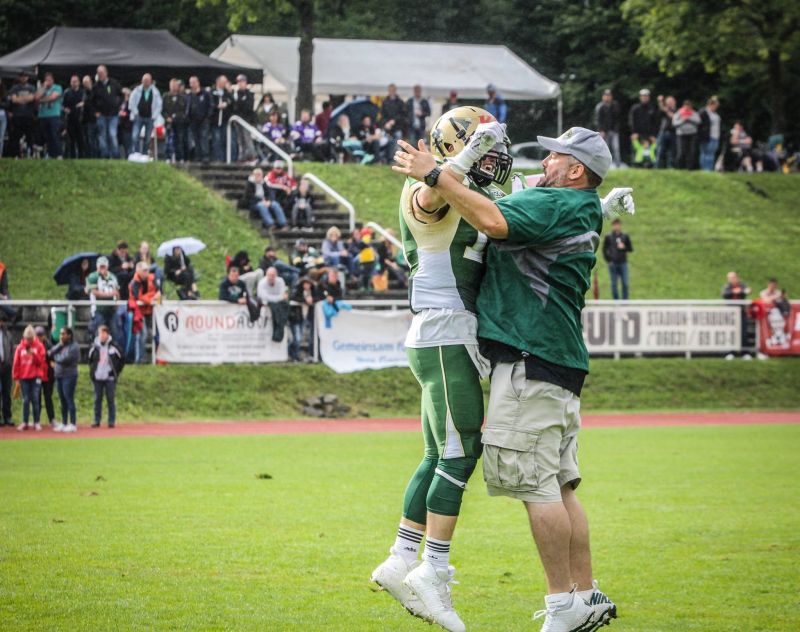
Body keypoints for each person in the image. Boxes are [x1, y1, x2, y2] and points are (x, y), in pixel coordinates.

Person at [392, 125, 619, 632]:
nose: (545, 162)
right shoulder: (575, 205)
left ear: (575, 170)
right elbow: (522, 198)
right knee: (560, 485)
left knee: (535, 487)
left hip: (529, 356)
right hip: (557, 361)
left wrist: (435, 171)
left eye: (554, 156)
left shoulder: (558, 203)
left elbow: (493, 219)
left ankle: (563, 609)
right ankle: (584, 595)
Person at [370, 106, 514, 631]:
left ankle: (400, 559)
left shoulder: (469, 190)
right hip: (441, 330)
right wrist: (455, 160)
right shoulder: (423, 187)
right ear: (456, 146)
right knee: (460, 449)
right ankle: (432, 569)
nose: (495, 155)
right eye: (483, 144)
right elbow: (430, 197)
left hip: (452, 333)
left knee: (437, 453)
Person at [13, 325, 47, 432]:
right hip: (24, 377)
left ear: (34, 337)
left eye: (31, 339)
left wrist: (34, 354)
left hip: (36, 377)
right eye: (27, 339)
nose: (29, 341)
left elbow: (41, 362)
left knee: (35, 399)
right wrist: (16, 378)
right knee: (25, 400)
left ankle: (37, 422)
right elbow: (16, 363)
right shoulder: (20, 347)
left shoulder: (39, 346)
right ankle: (25, 422)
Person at [88, 325, 123, 428]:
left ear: (108, 334)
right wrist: (93, 373)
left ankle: (111, 421)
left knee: (110, 399)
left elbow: (122, 359)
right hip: (97, 377)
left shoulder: (113, 347)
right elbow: (90, 361)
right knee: (97, 399)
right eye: (100, 333)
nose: (102, 336)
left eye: (104, 333)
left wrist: (115, 371)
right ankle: (96, 420)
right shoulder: (94, 347)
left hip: (109, 378)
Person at [128, 262, 161, 364]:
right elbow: (138, 297)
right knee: (142, 335)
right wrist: (151, 298)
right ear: (138, 271)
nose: (147, 272)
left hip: (150, 311)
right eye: (144, 270)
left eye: (147, 270)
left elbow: (159, 292)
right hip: (139, 313)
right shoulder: (134, 283)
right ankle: (139, 360)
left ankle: (159, 358)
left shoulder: (152, 278)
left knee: (158, 333)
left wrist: (151, 297)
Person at [50, 326, 80, 432]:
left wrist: (56, 359)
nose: (61, 336)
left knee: (69, 398)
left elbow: (65, 359)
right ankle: (64, 422)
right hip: (59, 375)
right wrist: (59, 346)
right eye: (60, 334)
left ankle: (73, 423)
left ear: (69, 335)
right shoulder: (61, 345)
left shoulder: (74, 346)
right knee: (62, 400)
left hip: (69, 375)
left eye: (63, 334)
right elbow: (50, 354)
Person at [91, 65, 123, 159]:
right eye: (98, 73)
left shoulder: (114, 83)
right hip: (101, 116)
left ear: (106, 73)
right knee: (102, 136)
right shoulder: (96, 86)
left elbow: (121, 95)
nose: (100, 75)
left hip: (113, 115)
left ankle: (116, 156)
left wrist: (118, 105)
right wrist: (96, 112)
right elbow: (91, 101)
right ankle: (105, 156)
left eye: (102, 73)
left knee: (112, 135)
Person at [288, 277, 321, 362]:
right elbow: (292, 297)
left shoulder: (313, 291)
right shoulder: (297, 291)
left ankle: (294, 355)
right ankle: (293, 354)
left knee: (300, 338)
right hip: (296, 317)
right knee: (297, 338)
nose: (307, 286)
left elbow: (319, 298)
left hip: (306, 317)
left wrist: (312, 300)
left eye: (308, 284)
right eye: (305, 284)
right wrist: (305, 300)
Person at [85, 256, 120, 337]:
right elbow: (94, 292)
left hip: (111, 309)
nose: (102, 269)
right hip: (99, 309)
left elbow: (117, 292)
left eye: (104, 266)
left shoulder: (113, 277)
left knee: (115, 332)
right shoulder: (93, 276)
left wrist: (117, 303)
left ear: (107, 266)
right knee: (99, 331)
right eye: (101, 266)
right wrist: (110, 294)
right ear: (97, 266)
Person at [129, 73, 162, 155]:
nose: (146, 82)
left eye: (147, 80)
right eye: (144, 80)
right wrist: (136, 113)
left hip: (150, 118)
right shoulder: (136, 90)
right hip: (138, 117)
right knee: (135, 136)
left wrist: (154, 116)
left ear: (151, 81)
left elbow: (159, 105)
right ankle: (135, 153)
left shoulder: (155, 92)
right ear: (142, 81)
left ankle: (144, 155)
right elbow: (131, 102)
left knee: (147, 138)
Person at [7, 71, 38, 158]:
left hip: (28, 115)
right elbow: (14, 100)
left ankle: (30, 154)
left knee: (29, 136)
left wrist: (20, 98)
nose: (23, 78)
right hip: (17, 116)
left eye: (25, 76)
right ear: (19, 78)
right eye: (22, 76)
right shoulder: (15, 88)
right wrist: (26, 98)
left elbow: (32, 98)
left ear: (28, 77)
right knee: (16, 136)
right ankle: (16, 155)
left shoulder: (32, 88)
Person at [602, 219, 634, 300]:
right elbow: (604, 249)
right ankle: (616, 302)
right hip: (613, 263)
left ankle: (625, 303)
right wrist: (608, 260)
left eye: (618, 224)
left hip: (623, 263)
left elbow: (630, 248)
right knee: (614, 284)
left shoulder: (625, 236)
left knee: (625, 283)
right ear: (613, 226)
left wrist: (624, 247)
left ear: (620, 225)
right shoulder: (608, 237)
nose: (616, 226)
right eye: (615, 225)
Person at [256, 267, 289, 343]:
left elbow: (283, 296)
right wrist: (278, 298)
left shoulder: (280, 281)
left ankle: (280, 331)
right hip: (265, 308)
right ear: (266, 275)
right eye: (269, 275)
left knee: (285, 305)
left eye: (273, 275)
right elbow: (264, 297)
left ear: (276, 275)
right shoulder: (262, 283)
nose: (271, 277)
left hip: (279, 306)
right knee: (275, 306)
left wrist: (275, 298)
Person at [35, 72, 63, 159]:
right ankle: (51, 154)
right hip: (43, 115)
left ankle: (58, 154)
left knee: (54, 135)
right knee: (46, 136)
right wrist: (43, 87)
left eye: (49, 80)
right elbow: (36, 97)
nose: (48, 82)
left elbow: (53, 97)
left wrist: (41, 100)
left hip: (54, 115)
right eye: (46, 80)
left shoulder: (57, 87)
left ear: (53, 80)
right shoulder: (42, 88)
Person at [185, 76, 211, 163]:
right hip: (193, 121)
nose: (192, 84)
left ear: (197, 82)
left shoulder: (205, 94)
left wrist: (207, 117)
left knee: (204, 138)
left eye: (193, 82)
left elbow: (210, 106)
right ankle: (198, 156)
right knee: (195, 139)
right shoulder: (189, 95)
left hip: (203, 121)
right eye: (190, 83)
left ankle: (205, 156)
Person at [231, 74, 256, 162]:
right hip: (238, 120)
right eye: (239, 82)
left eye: (242, 81)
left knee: (247, 138)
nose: (240, 84)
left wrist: (241, 102)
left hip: (247, 120)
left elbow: (248, 107)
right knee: (240, 139)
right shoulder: (235, 94)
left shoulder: (249, 94)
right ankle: (242, 156)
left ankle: (252, 156)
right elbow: (235, 107)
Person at [62, 74, 87, 159]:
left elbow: (86, 102)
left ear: (79, 82)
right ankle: (72, 156)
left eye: (75, 81)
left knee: (81, 140)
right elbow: (62, 105)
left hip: (80, 119)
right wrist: (65, 109)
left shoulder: (83, 92)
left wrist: (83, 104)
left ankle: (81, 156)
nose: (74, 83)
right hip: (70, 119)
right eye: (72, 81)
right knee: (71, 140)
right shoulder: (67, 92)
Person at [35, 326, 56, 427]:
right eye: (37, 335)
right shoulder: (32, 345)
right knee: (37, 398)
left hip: (47, 376)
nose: (39, 337)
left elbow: (53, 360)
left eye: (41, 335)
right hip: (37, 376)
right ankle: (37, 419)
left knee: (48, 398)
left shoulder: (48, 345)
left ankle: (52, 419)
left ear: (44, 336)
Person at [163, 79, 186, 163]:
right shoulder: (166, 96)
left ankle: (180, 157)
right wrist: (167, 117)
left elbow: (184, 110)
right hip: (168, 122)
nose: (173, 87)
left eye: (175, 85)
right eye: (172, 85)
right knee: (168, 140)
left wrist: (177, 117)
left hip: (179, 122)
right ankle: (168, 157)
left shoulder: (182, 97)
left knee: (179, 140)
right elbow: (163, 110)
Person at [672, 100, 701, 170]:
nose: (687, 108)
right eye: (686, 106)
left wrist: (689, 118)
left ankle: (689, 168)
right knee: (681, 152)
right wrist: (683, 120)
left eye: (689, 106)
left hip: (692, 135)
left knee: (691, 152)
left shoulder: (694, 113)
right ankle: (679, 167)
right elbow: (674, 123)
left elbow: (699, 121)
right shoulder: (679, 113)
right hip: (681, 135)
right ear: (683, 106)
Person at [265, 160, 294, 228]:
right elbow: (270, 183)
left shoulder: (285, 175)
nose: (278, 170)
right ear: (274, 168)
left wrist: (289, 189)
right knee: (274, 198)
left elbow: (292, 183)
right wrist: (283, 187)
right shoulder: (270, 174)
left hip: (281, 195)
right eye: (277, 168)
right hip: (270, 195)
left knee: (291, 197)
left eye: (280, 168)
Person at [595, 89, 620, 166]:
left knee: (616, 148)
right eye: (606, 95)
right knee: (605, 149)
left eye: (609, 95)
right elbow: (598, 120)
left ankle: (617, 165)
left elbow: (617, 118)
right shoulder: (600, 106)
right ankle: (605, 165)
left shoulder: (615, 105)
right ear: (603, 97)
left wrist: (616, 129)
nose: (607, 97)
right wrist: (601, 130)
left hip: (614, 130)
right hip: (604, 131)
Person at [628, 88, 658, 153]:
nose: (644, 98)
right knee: (636, 149)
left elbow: (655, 123)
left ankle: (651, 162)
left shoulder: (652, 108)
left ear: (649, 97)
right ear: (640, 97)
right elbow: (631, 121)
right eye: (643, 96)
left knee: (652, 150)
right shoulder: (635, 108)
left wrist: (654, 135)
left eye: (646, 96)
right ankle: (636, 162)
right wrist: (634, 132)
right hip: (637, 134)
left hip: (650, 134)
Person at [210, 75, 232, 163]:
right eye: (224, 82)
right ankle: (217, 158)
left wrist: (226, 103)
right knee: (216, 140)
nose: (225, 84)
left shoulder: (227, 93)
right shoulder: (212, 91)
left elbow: (231, 101)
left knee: (224, 140)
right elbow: (210, 104)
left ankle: (224, 159)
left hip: (224, 120)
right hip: (215, 121)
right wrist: (216, 106)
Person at [698, 96, 721, 172]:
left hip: (715, 136)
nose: (716, 107)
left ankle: (709, 169)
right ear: (711, 104)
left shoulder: (715, 114)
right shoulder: (703, 112)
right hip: (707, 137)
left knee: (711, 154)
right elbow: (699, 124)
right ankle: (705, 169)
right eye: (715, 106)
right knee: (706, 153)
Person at [0, 316, 15, 427]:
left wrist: (10, 363)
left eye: (3, 321)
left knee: (6, 393)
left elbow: (11, 349)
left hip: (6, 367)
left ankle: (7, 417)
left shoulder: (8, 335)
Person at [655, 94, 677, 169]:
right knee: (660, 151)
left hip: (674, 133)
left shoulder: (677, 111)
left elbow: (673, 117)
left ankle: (671, 168)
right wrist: (660, 101)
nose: (670, 103)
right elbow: (661, 109)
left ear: (674, 102)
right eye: (668, 102)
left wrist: (666, 109)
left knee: (672, 152)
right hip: (663, 133)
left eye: (671, 101)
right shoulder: (662, 111)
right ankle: (657, 167)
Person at [81, 75, 99, 158]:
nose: (86, 84)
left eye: (87, 82)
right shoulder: (84, 92)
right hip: (86, 120)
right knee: (89, 140)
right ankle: (91, 156)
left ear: (91, 82)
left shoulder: (95, 91)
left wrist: (84, 103)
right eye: (84, 83)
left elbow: (92, 102)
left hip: (95, 119)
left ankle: (96, 156)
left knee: (95, 140)